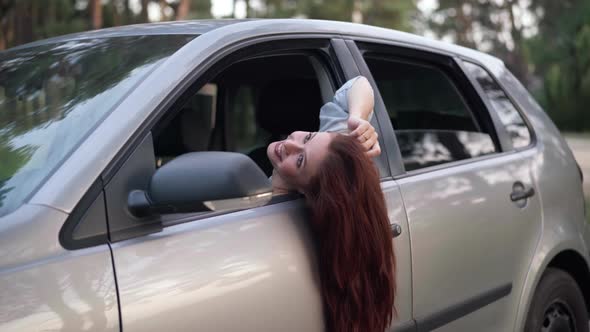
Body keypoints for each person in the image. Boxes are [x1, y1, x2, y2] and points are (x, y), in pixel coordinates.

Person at [266, 76, 397, 332]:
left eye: (300, 160)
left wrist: (280, 186)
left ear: (310, 196)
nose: (290, 143)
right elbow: (359, 84)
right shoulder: (328, 149)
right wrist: (358, 118)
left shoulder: (293, 203)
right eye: (308, 137)